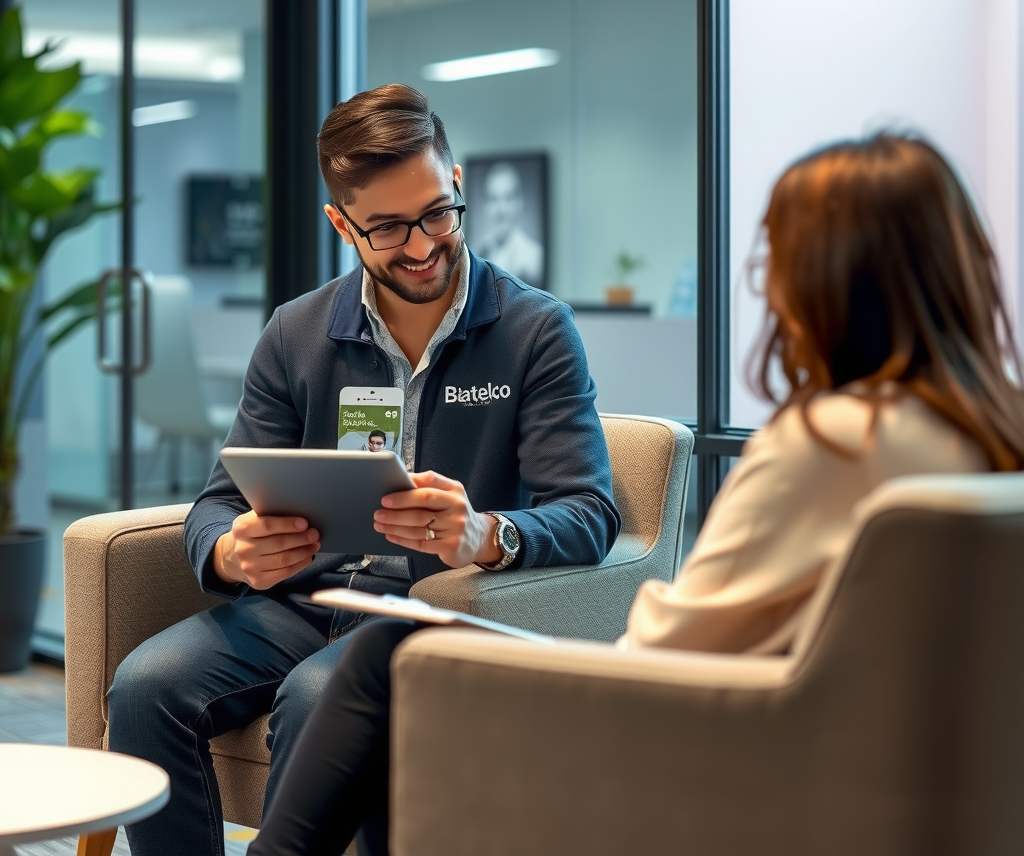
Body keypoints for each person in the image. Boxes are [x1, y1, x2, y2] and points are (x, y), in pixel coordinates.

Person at [248, 133, 1024, 855]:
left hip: (683, 738)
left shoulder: (829, 443)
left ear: (823, 283)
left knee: (392, 652)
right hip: (862, 753)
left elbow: (673, 644)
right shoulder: (990, 433)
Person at [106, 84, 620, 856]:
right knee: (145, 686)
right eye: (386, 227)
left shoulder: (534, 330)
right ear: (341, 224)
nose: (420, 246)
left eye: (437, 213)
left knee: (318, 697)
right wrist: (231, 549)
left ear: (456, 185)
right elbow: (215, 505)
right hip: (306, 600)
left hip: (435, 608)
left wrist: (488, 533)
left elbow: (589, 510)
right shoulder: (298, 332)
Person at [473, 162, 544, 285]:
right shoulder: (477, 252)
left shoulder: (535, 256)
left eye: (508, 198)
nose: (501, 209)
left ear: (520, 202)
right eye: (493, 199)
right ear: (485, 205)